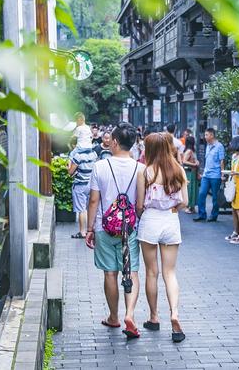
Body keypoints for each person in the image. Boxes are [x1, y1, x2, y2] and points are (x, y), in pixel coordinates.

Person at [85, 123, 145, 339]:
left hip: (104, 226)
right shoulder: (140, 168)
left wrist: (89, 228)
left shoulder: (100, 166)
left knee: (110, 272)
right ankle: (130, 314)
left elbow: (93, 200)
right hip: (130, 229)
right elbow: (140, 203)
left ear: (116, 142)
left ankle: (114, 316)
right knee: (132, 271)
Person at [135, 132, 188, 343]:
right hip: (171, 220)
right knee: (170, 272)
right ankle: (174, 314)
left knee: (151, 272)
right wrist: (173, 208)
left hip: (150, 221)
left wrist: (143, 215)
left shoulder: (145, 172)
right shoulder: (179, 170)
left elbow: (139, 204)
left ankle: (154, 317)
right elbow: (183, 201)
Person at [67, 136, 97, 239]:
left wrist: (69, 165)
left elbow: (70, 172)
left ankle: (83, 232)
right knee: (90, 208)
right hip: (91, 184)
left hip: (80, 185)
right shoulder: (94, 154)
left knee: (82, 209)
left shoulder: (78, 156)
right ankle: (91, 229)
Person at [194, 128, 225, 222]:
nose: (205, 136)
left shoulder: (219, 146)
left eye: (207, 135)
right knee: (201, 194)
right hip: (206, 175)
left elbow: (222, 161)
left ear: (212, 135)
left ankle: (214, 215)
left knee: (215, 197)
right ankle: (202, 214)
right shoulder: (207, 145)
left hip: (215, 175)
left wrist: (222, 174)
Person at [181, 136, 199, 214]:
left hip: (192, 172)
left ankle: (192, 207)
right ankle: (190, 206)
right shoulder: (189, 151)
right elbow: (184, 161)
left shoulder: (189, 151)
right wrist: (194, 164)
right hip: (191, 172)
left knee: (192, 189)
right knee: (191, 189)